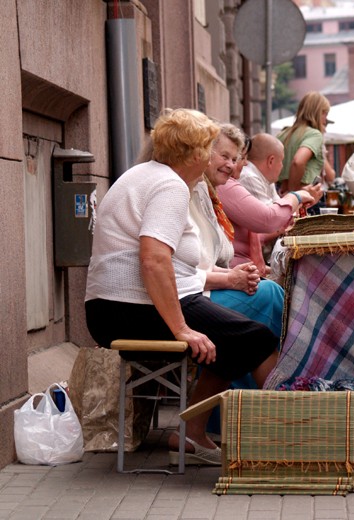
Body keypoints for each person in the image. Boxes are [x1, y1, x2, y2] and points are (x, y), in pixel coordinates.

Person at [84, 108, 280, 464]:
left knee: (237, 340)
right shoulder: (170, 185)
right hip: (129, 309)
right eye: (209, 149)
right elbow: (153, 260)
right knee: (259, 339)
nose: (211, 158)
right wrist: (182, 329)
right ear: (193, 154)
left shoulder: (148, 175)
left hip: (114, 307)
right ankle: (285, 437)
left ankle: (194, 433)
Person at [190, 124, 286, 338]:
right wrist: (231, 278)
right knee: (271, 296)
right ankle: (286, 365)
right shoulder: (182, 188)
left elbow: (202, 262)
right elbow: (266, 220)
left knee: (273, 293)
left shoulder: (203, 190)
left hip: (201, 287)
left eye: (235, 159)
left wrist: (234, 275)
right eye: (226, 156)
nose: (233, 166)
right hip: (188, 297)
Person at [218, 135, 319, 275]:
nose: (245, 164)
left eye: (234, 159)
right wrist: (296, 196)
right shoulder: (227, 184)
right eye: (226, 157)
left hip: (238, 268)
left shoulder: (226, 182)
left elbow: (271, 222)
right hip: (234, 269)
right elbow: (269, 220)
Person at [277, 91, 332, 194]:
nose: (326, 119)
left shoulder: (282, 134)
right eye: (325, 113)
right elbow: (298, 161)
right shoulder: (314, 134)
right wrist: (294, 194)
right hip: (305, 197)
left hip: (280, 193)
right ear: (318, 113)